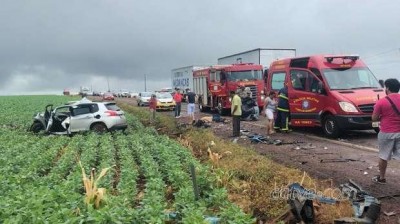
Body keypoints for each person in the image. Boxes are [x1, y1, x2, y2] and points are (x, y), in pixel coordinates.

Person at [371, 78, 400, 184]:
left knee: (383, 156)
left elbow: (374, 118)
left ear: (387, 88)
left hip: (386, 133)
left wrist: (381, 115)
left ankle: (382, 178)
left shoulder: (381, 102)